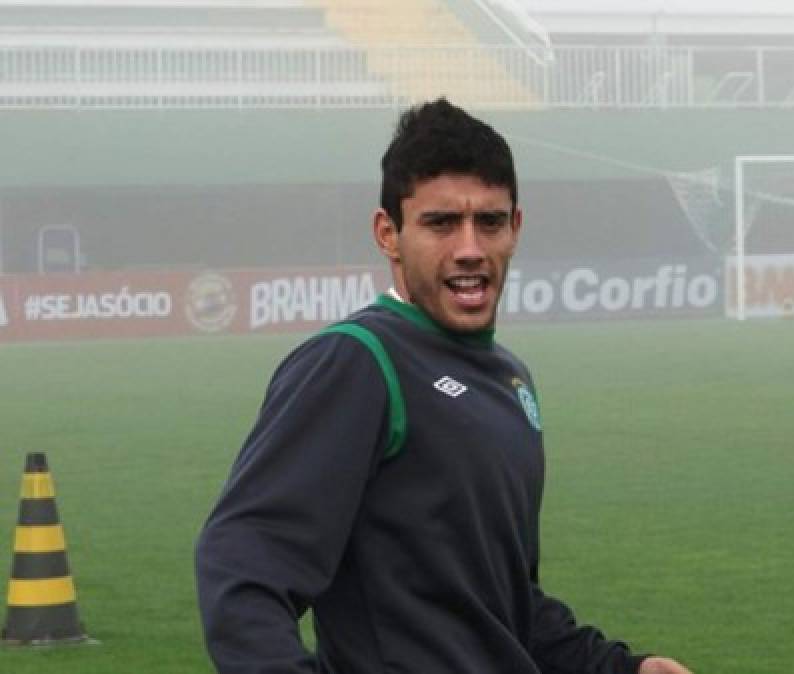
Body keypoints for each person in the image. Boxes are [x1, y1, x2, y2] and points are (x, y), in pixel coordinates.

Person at [195, 99, 692, 674]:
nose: (469, 249)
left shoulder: (511, 381)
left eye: (489, 221)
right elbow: (244, 561)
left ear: (516, 228)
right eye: (439, 223)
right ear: (389, 233)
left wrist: (623, 669)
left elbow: (504, 606)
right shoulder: (360, 360)